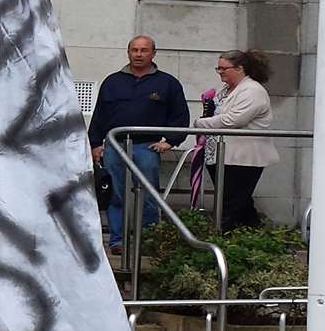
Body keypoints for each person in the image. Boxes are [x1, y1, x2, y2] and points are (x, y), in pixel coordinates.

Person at [87, 36, 189, 253]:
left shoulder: (167, 83)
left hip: (147, 146)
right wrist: (95, 144)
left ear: (153, 53)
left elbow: (179, 115)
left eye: (144, 50)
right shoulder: (112, 81)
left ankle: (148, 241)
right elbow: (99, 115)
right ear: (128, 52)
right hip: (115, 145)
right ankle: (117, 241)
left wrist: (171, 142)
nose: (139, 54)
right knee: (115, 194)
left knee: (149, 195)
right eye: (134, 50)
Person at [194, 49, 279, 231]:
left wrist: (200, 123)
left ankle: (223, 237)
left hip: (243, 158)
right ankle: (255, 236)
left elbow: (233, 120)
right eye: (218, 68)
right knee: (241, 202)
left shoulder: (253, 90)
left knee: (232, 202)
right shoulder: (225, 90)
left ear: (240, 68)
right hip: (219, 154)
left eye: (224, 68)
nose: (221, 72)